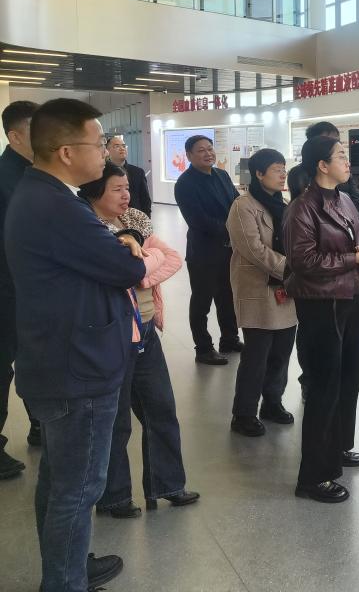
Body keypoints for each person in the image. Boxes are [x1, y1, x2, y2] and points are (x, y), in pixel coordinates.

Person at [6, 98, 147, 592]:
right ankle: (65, 582)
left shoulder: (41, 193)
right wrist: (126, 247)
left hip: (60, 358)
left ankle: (67, 569)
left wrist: (117, 245)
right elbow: (128, 269)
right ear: (67, 152)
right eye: (97, 143)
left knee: (60, 479)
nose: (105, 152)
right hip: (77, 367)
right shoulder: (57, 206)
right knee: (79, 487)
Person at [81, 164, 200, 518]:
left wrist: (141, 272)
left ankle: (168, 484)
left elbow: (171, 258)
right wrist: (140, 266)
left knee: (161, 408)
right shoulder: (88, 230)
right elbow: (120, 274)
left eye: (128, 188)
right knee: (116, 420)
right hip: (115, 335)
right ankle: (114, 496)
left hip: (146, 327)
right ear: (94, 192)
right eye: (117, 189)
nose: (126, 196)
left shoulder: (134, 221)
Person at [284, 136, 359, 504]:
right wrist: (352, 259)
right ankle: (313, 476)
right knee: (324, 387)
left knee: (347, 380)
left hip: (349, 298)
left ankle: (337, 447)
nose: (347, 162)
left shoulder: (344, 200)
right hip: (321, 304)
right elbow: (303, 261)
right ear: (322, 165)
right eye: (340, 156)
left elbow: (353, 237)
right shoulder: (302, 208)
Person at [227, 148, 297, 437]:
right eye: (276, 169)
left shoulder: (284, 204)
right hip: (258, 289)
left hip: (286, 290)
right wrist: (291, 269)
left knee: (281, 352)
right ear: (258, 173)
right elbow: (254, 249)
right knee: (256, 356)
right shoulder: (243, 206)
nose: (282, 174)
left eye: (284, 169)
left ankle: (272, 403)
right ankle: (244, 413)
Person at [174, 134, 241, 365]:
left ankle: (229, 339)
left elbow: (236, 203)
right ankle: (203, 348)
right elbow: (198, 220)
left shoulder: (222, 175)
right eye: (201, 150)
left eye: (210, 148)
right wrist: (232, 231)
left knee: (227, 298)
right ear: (189, 155)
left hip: (228, 251)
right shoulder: (185, 183)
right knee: (201, 302)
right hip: (203, 252)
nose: (208, 153)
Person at [0, 100, 39, 479]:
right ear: (15, 137)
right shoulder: (5, 178)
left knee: (33, 358)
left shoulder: (34, 173)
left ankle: (40, 422)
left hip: (30, 290)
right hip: (7, 290)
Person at [286, 121, 359, 218]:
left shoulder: (343, 174)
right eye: (327, 141)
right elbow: (304, 210)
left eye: (337, 141)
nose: (335, 144)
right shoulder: (299, 174)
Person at [106, 135, 152, 216]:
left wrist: (146, 219)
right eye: (117, 146)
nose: (122, 148)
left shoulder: (138, 172)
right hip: (111, 218)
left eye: (124, 146)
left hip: (135, 217)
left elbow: (145, 200)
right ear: (107, 151)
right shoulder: (102, 173)